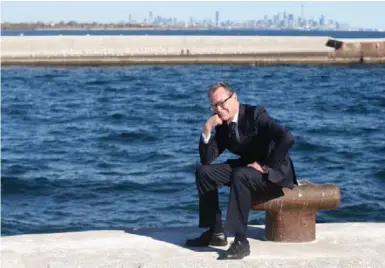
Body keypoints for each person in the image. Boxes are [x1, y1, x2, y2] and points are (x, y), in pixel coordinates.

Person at [185, 82, 297, 260]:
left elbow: (287, 137)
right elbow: (206, 160)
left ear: (235, 98)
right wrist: (207, 129)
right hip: (247, 169)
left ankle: (241, 241)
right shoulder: (223, 126)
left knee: (240, 174)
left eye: (223, 103)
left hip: (272, 174)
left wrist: (266, 166)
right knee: (203, 172)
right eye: (214, 106)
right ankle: (215, 232)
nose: (219, 109)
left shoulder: (256, 114)